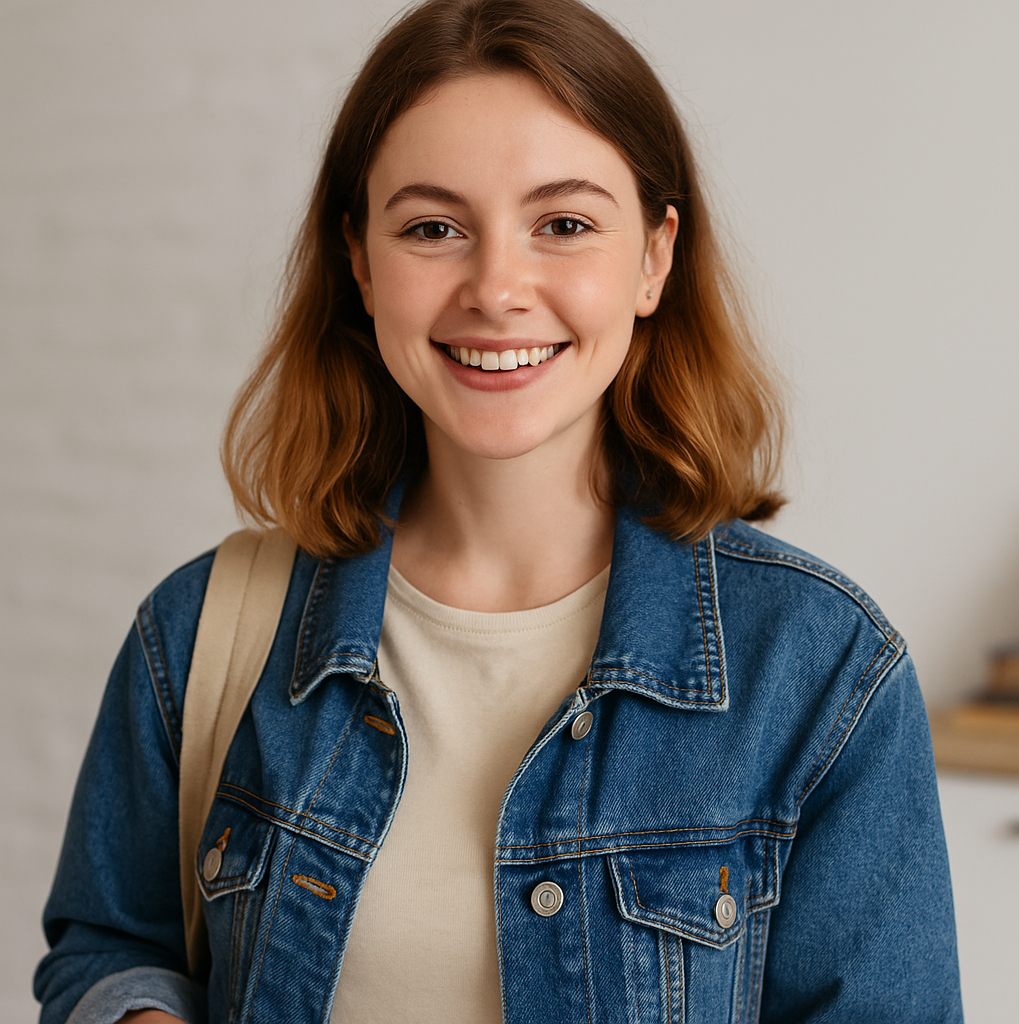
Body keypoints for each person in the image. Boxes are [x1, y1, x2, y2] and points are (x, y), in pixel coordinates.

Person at [35, 0, 963, 1021]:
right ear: (360, 258)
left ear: (653, 257)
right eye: (433, 228)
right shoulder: (201, 635)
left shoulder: (823, 674)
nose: (496, 288)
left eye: (562, 224)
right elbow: (110, 945)